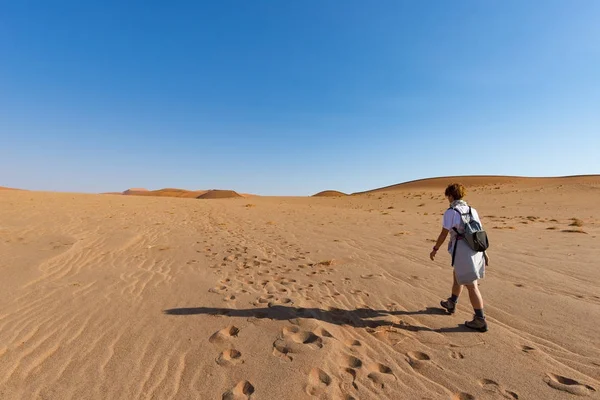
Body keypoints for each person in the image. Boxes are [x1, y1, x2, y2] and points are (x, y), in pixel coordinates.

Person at [429, 183, 490, 332]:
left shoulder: (451, 212)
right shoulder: (472, 210)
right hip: (475, 250)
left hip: (463, 251)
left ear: (450, 196)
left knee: (471, 285)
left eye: (447, 196)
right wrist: (485, 252)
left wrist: (435, 248)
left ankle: (480, 320)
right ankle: (452, 302)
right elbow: (480, 232)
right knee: (457, 275)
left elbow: (444, 233)